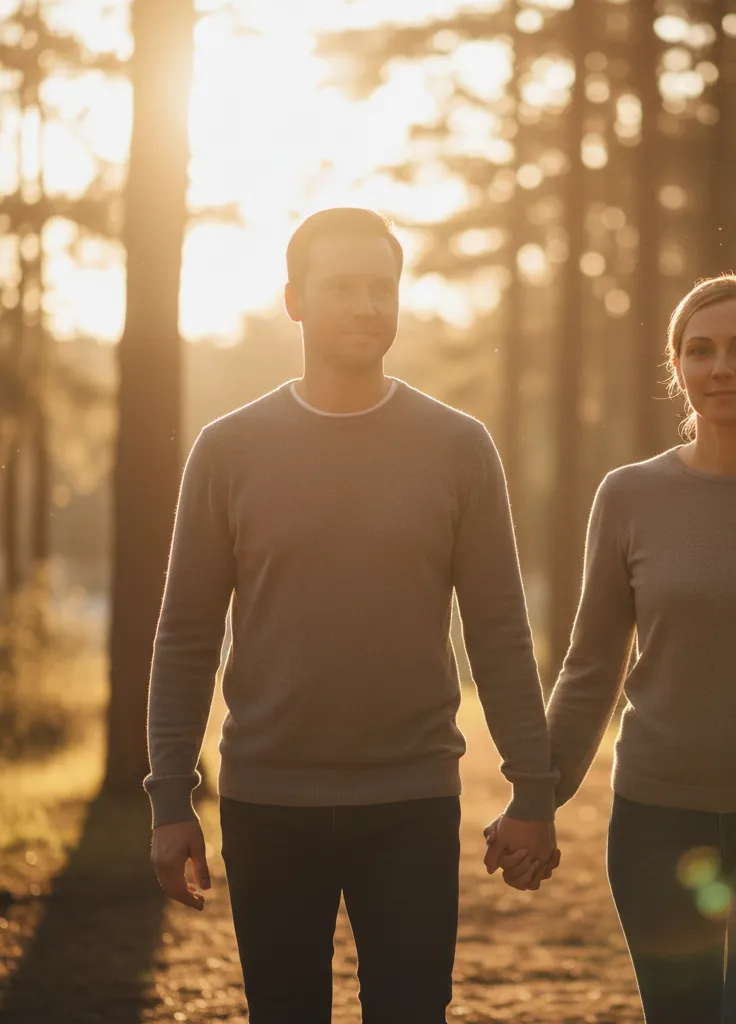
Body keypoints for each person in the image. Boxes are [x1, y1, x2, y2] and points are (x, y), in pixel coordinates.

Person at [144, 207, 558, 1024]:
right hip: (267, 805)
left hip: (411, 801)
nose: (368, 305)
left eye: (383, 286)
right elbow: (187, 634)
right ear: (294, 300)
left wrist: (533, 789)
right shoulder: (228, 450)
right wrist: (169, 799)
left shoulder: (458, 447)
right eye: (342, 287)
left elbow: (500, 630)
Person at [489, 273, 736, 1023]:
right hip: (656, 821)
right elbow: (589, 669)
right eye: (700, 351)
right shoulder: (628, 497)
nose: (721, 368)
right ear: (676, 368)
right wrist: (536, 799)